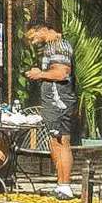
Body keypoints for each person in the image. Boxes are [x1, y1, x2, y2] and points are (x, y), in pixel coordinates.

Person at [23, 16, 77, 187]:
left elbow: (62, 73)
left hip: (59, 99)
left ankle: (65, 184)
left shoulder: (59, 46)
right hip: (52, 100)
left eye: (33, 37)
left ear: (42, 29)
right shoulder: (50, 47)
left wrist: (39, 74)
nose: (33, 42)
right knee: (53, 140)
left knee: (61, 141)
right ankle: (60, 182)